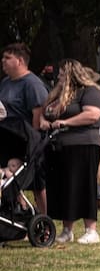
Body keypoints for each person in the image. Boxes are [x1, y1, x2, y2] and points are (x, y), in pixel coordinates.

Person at [39, 59, 100, 244]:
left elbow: (92, 114)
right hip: (59, 146)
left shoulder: (89, 92)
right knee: (65, 187)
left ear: (71, 74)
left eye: (62, 72)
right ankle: (67, 229)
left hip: (83, 145)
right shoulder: (59, 94)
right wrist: (44, 121)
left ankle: (91, 230)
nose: (58, 76)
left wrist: (66, 122)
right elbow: (46, 112)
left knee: (84, 185)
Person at [1, 42, 49, 212]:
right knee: (7, 174)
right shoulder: (5, 83)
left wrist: (34, 141)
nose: (3, 61)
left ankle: (44, 216)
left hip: (27, 138)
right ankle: (19, 207)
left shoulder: (32, 84)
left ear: (20, 61)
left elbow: (38, 114)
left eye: (8, 58)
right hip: (7, 136)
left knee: (37, 182)